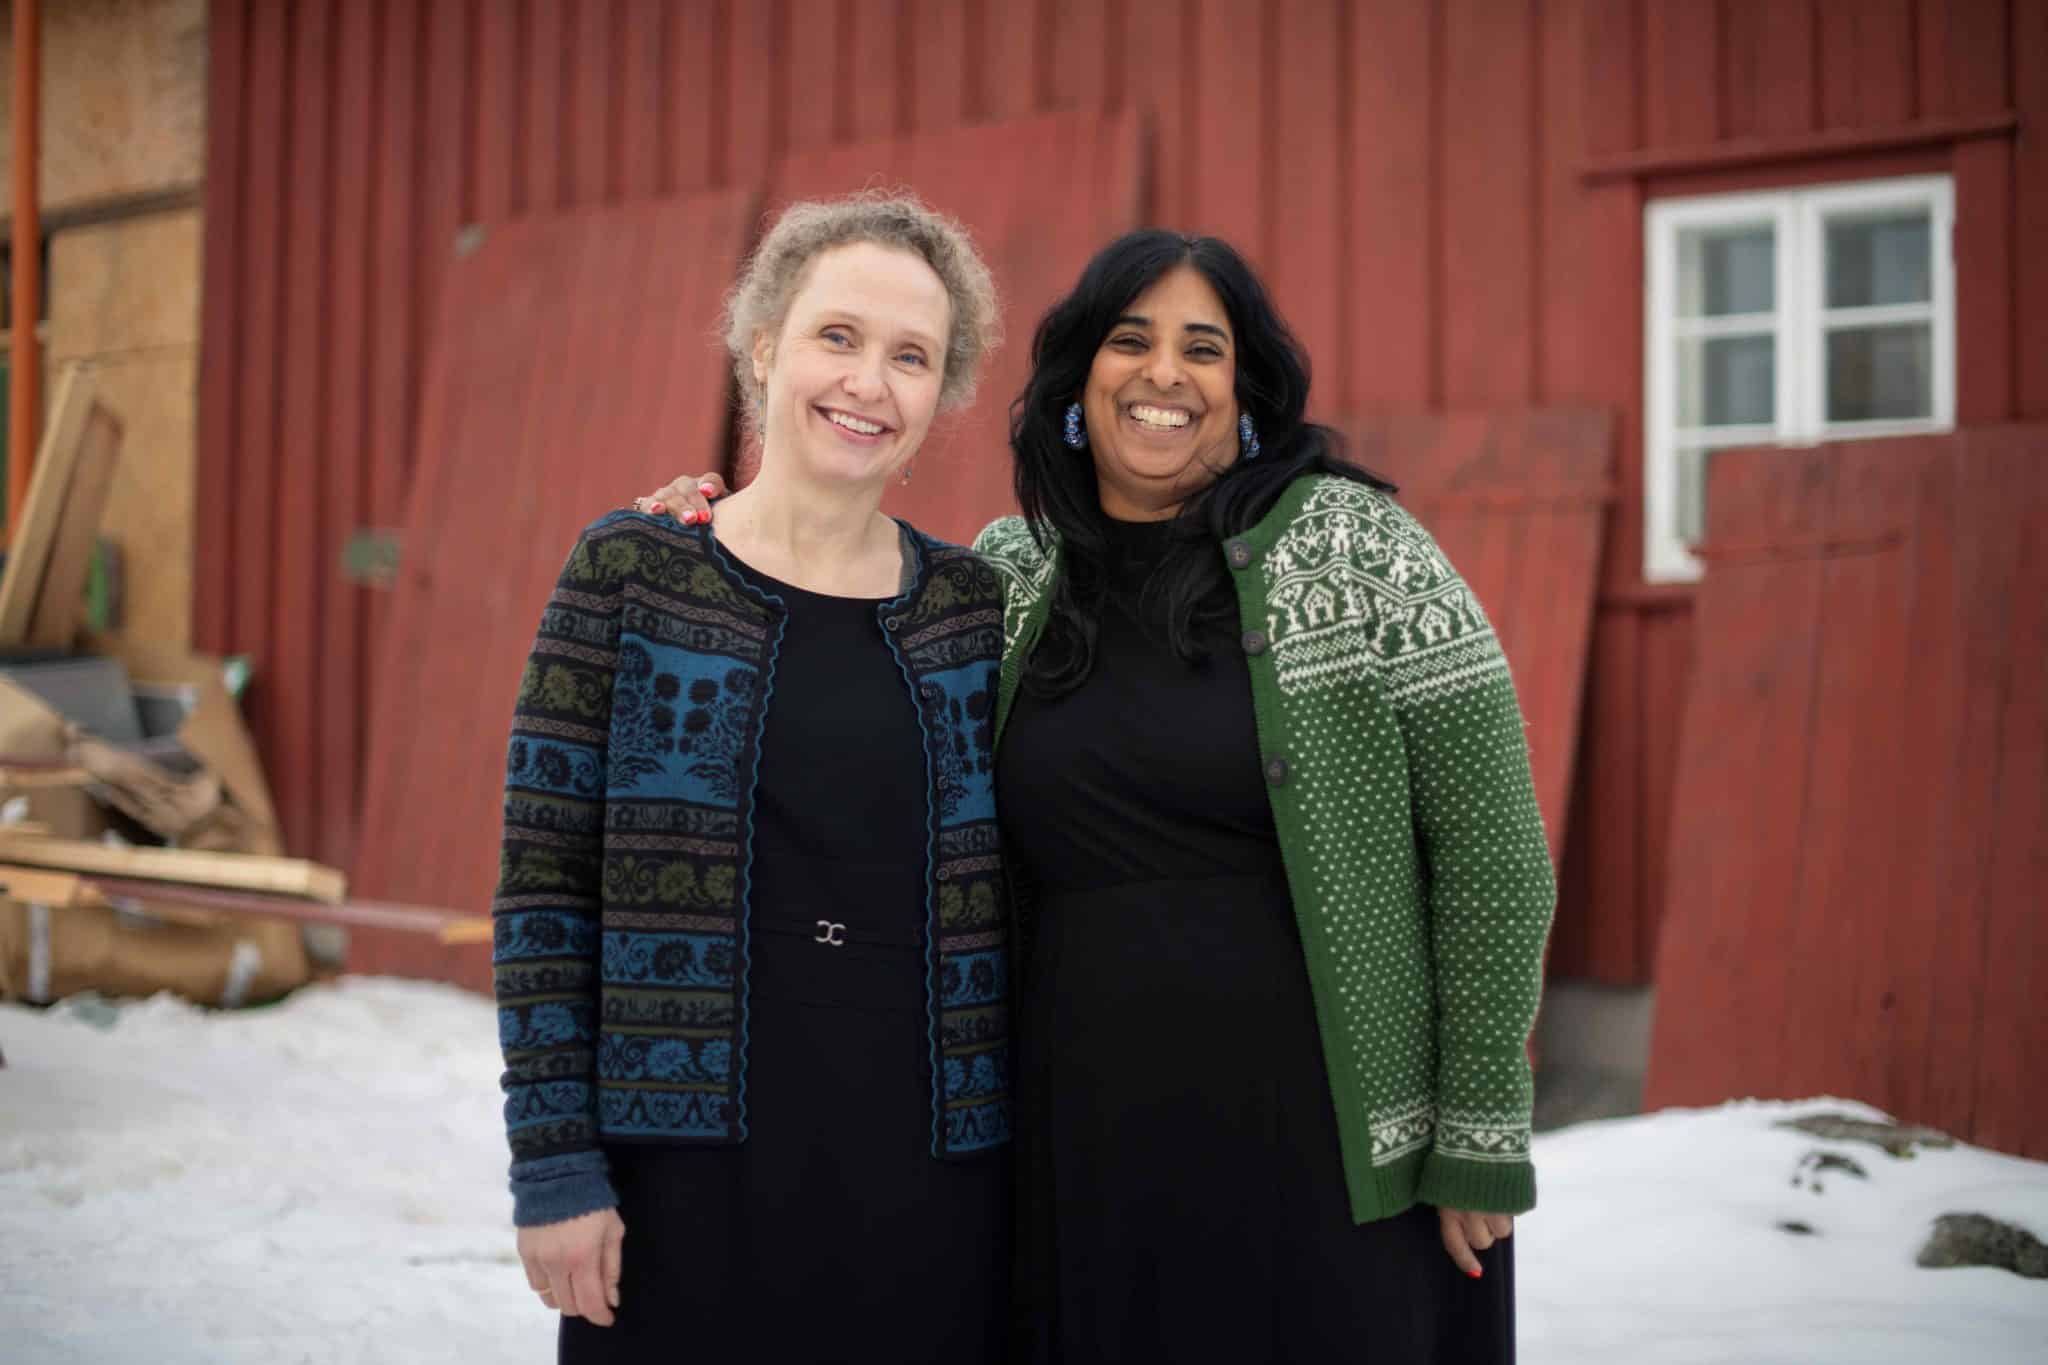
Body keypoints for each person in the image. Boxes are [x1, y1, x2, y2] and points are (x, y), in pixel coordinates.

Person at [645, 230, 1556, 1362]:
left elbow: (1491, 850)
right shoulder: (1007, 577)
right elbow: (838, 631)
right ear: (1079, 378)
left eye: (1202, 348)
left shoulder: (1357, 546)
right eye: (1130, 340)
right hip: (1076, 1140)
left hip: (1322, 1140)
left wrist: (1477, 1126)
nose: (1163, 373)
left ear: (1247, 388)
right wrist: (710, 541)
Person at [493, 193, 1014, 1362]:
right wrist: (554, 1164)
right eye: (837, 336)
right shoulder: (630, 569)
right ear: (765, 343)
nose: (867, 384)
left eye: (911, 357)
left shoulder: (973, 612)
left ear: (943, 393)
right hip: (675, 1187)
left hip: (928, 1185)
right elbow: (542, 891)